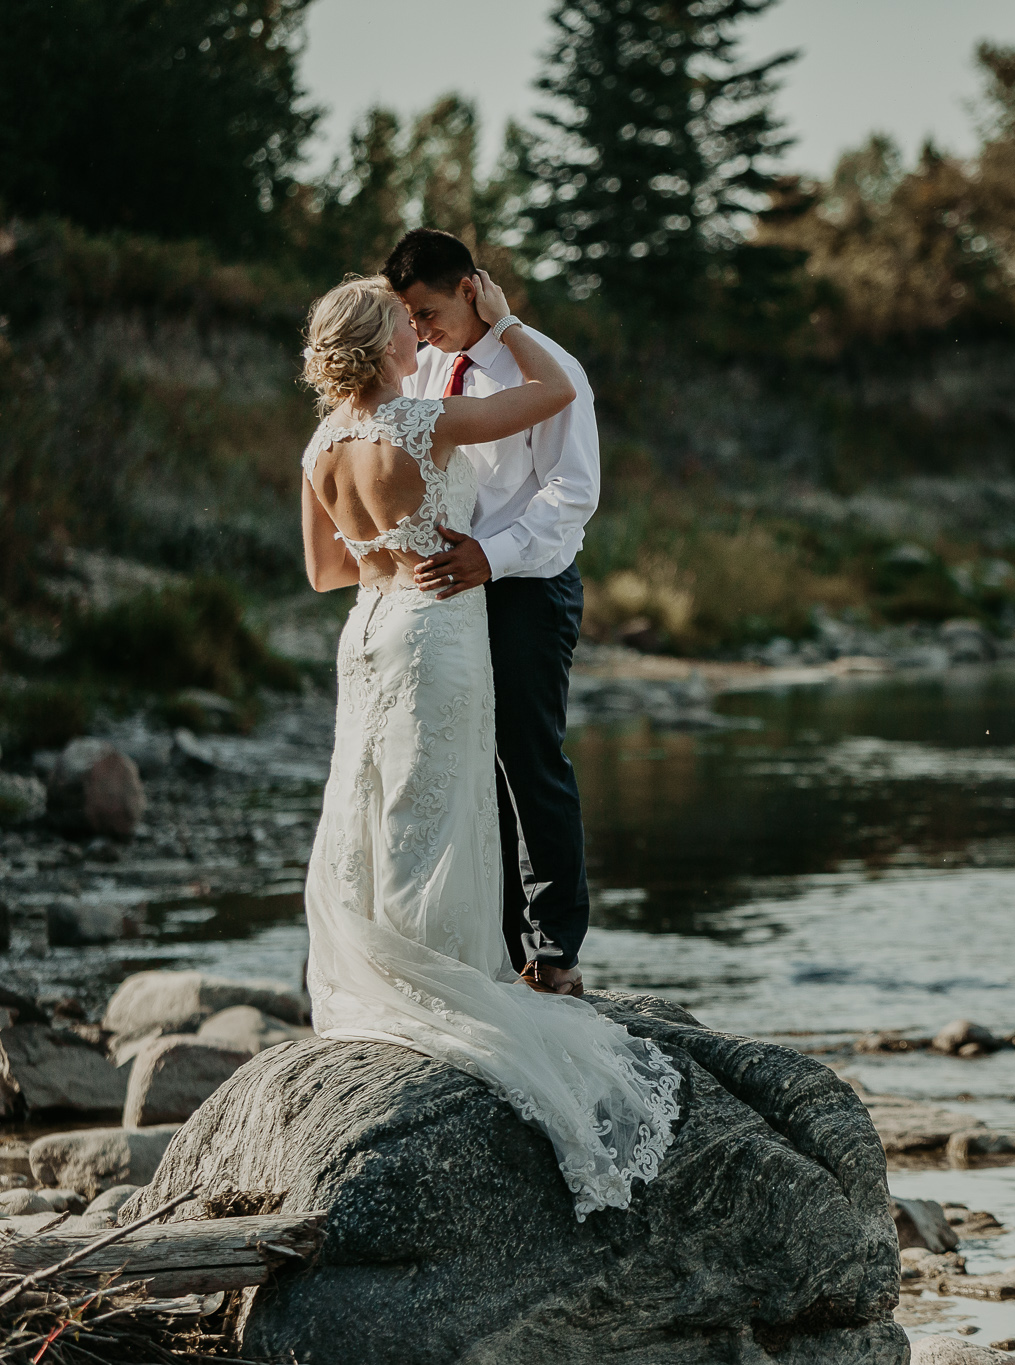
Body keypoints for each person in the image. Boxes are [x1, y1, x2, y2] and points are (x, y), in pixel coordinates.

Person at [297, 273, 677, 1218]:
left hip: (367, 624)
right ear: (385, 344)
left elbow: (320, 570)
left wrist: (385, 549)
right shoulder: (418, 421)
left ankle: (379, 974)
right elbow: (553, 394)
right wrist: (506, 322)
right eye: (405, 325)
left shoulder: (321, 442)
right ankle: (445, 986)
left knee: (372, 801)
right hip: (434, 626)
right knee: (444, 800)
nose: (416, 334)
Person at [378, 229, 600, 999]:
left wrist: (491, 556)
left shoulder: (550, 368)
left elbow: (571, 498)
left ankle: (555, 948)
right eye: (407, 315)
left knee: (528, 758)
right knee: (470, 756)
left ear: (471, 287)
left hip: (529, 582)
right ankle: (497, 946)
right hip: (450, 589)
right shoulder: (424, 367)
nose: (418, 329)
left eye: (428, 310)